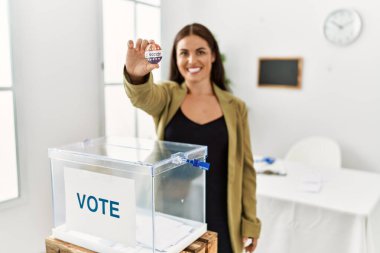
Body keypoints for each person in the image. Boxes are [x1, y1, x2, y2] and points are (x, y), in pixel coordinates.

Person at [123, 23, 261, 253]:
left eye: (200, 52)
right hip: (172, 214)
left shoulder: (236, 107)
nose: (192, 60)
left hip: (222, 214)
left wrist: (250, 222)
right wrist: (137, 75)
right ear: (175, 59)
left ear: (213, 56)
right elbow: (144, 97)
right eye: (184, 53)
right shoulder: (167, 95)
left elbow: (246, 168)